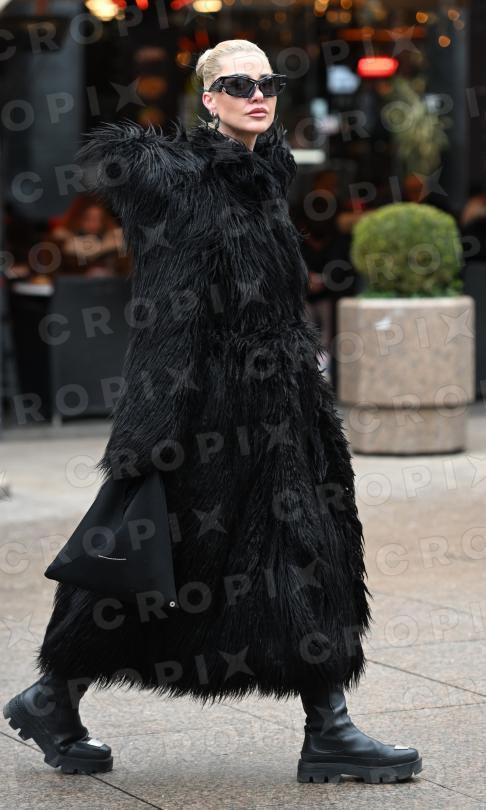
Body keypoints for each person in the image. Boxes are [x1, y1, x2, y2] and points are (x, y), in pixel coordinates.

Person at [3, 39, 422, 785]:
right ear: (207, 98)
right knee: (155, 556)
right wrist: (154, 426)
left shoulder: (265, 175)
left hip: (284, 404)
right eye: (237, 84)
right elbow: (167, 306)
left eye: (268, 83)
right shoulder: (180, 181)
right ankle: (53, 696)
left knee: (311, 547)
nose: (257, 95)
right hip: (203, 410)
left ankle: (328, 726)